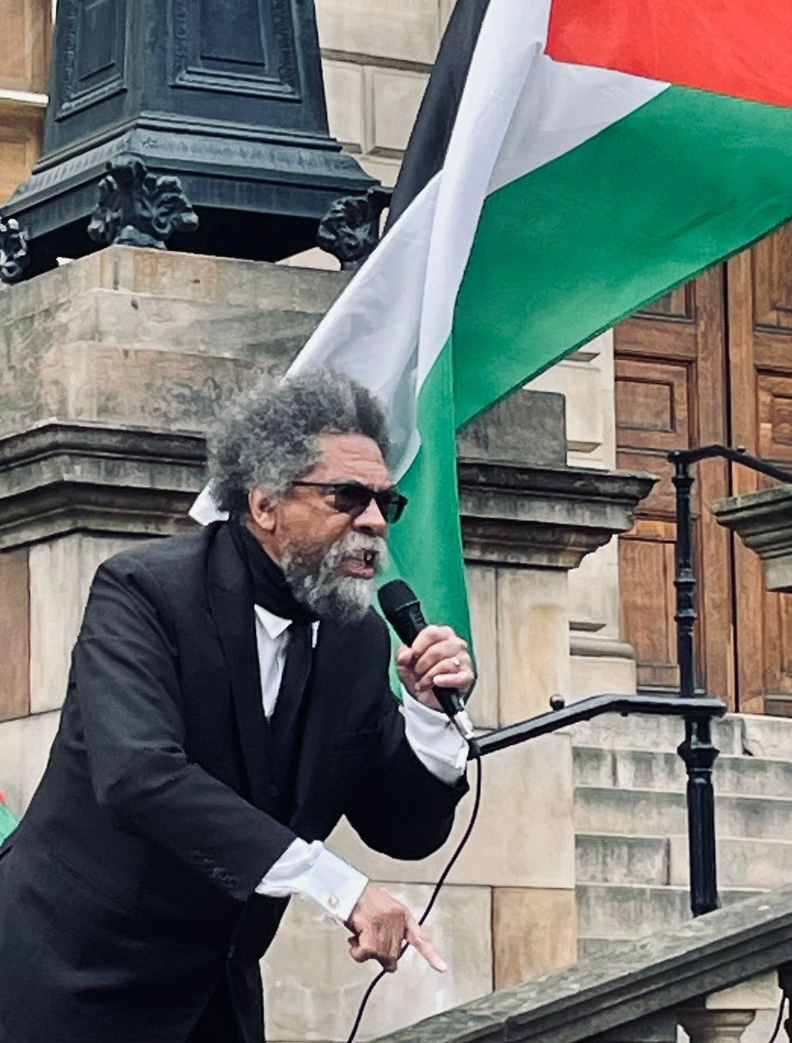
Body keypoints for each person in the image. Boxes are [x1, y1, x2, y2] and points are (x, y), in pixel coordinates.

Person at [0, 371, 473, 1043]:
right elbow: (139, 775)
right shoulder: (144, 591)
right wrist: (339, 887)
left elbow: (402, 829)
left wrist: (430, 720)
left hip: (215, 997)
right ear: (265, 502)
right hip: (69, 982)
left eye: (384, 503)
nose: (372, 520)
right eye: (347, 496)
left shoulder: (356, 637)